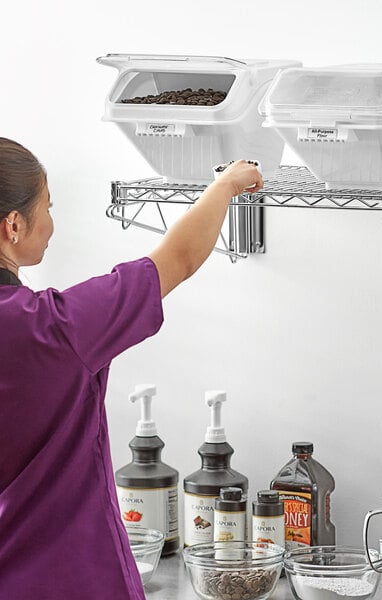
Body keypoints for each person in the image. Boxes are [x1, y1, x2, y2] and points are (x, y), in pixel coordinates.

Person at [0, 137, 263, 599]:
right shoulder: (54, 329)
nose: (53, 223)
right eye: (49, 206)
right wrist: (225, 186)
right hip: (69, 582)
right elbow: (175, 261)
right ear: (14, 225)